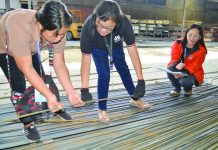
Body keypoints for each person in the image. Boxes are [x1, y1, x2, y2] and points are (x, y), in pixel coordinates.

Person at [0, 1, 84, 142]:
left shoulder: (59, 29)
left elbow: (59, 63)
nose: (59, 39)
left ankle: (50, 107)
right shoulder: (20, 27)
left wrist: (71, 92)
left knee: (41, 78)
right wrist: (49, 95)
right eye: (55, 35)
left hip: (32, 45)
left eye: (62, 35)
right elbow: (26, 68)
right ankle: (28, 122)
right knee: (18, 85)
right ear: (41, 25)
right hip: (6, 47)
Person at [80, 0, 150, 124]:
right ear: (96, 18)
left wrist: (141, 80)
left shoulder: (123, 22)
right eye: (100, 25)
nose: (103, 30)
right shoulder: (88, 26)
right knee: (104, 74)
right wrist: (84, 88)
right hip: (98, 47)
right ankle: (102, 109)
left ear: (117, 23)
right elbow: (86, 58)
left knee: (123, 69)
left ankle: (135, 98)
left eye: (109, 28)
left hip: (116, 45)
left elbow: (132, 49)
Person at [167, 24, 207, 97]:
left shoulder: (201, 50)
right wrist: (175, 65)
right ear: (186, 34)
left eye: (195, 36)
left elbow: (195, 65)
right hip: (179, 67)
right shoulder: (178, 43)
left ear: (199, 37)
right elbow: (174, 57)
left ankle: (188, 89)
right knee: (169, 70)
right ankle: (176, 89)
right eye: (190, 35)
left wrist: (183, 71)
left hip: (193, 71)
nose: (192, 38)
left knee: (184, 81)